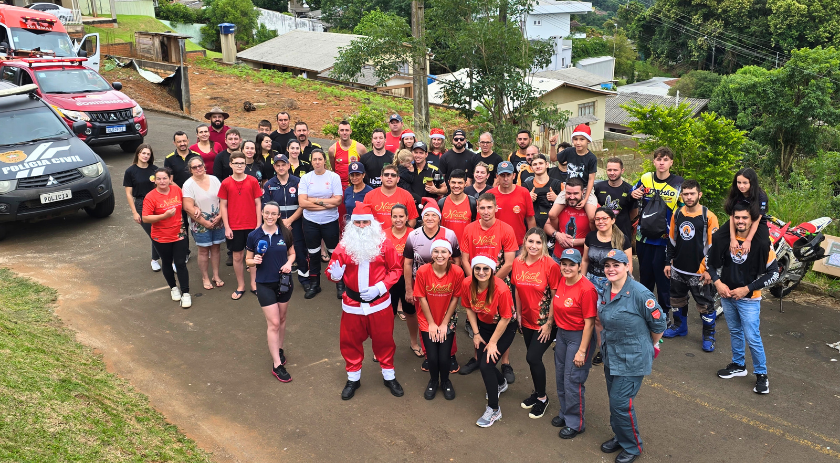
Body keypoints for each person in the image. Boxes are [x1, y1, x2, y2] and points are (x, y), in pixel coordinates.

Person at [326, 203, 405, 400]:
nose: (361, 226)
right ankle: (353, 378)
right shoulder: (344, 246)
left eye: (365, 222)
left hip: (379, 304)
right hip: (352, 305)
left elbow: (396, 270)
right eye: (358, 222)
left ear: (372, 223)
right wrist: (334, 275)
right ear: (352, 224)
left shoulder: (384, 244)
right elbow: (331, 269)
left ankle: (389, 376)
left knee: (384, 340)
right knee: (350, 342)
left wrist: (380, 288)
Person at [597, 250, 666, 463]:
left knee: (620, 403)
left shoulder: (640, 294)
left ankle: (633, 446)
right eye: (607, 265)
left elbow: (659, 325)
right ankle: (620, 436)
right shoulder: (606, 288)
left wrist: (649, 345)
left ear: (627, 266)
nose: (611, 269)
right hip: (612, 354)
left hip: (633, 358)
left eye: (616, 265)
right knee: (615, 401)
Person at [708, 203, 778, 395]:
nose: (740, 221)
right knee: (735, 331)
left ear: (752, 219)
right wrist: (718, 283)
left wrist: (747, 289)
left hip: (749, 299)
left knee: (752, 337)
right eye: (737, 217)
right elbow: (709, 263)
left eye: (744, 218)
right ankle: (738, 365)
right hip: (727, 296)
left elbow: (774, 273)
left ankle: (761, 374)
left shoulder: (762, 243)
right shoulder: (723, 239)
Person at [459, 193, 518, 379]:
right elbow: (465, 259)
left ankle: (505, 362)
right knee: (478, 318)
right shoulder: (469, 229)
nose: (485, 211)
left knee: (503, 320)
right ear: (477, 208)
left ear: (496, 208)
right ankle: (478, 357)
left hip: (500, 282)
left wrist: (489, 284)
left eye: (489, 207)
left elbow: (509, 263)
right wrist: (475, 282)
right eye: (482, 208)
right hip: (475, 280)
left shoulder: (506, 229)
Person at [404, 198, 462, 372]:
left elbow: (457, 260)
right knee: (424, 319)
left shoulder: (449, 234)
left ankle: (450, 354)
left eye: (434, 215)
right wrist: (409, 288)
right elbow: (408, 263)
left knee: (448, 318)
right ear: (422, 217)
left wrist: (454, 281)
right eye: (426, 215)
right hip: (422, 284)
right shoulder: (413, 235)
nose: (430, 218)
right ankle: (429, 355)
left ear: (439, 218)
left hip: (446, 284)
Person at [664, 179, 720, 351]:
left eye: (692, 193)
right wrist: (668, 262)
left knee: (705, 305)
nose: (689, 197)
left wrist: (710, 270)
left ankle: (709, 335)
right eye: (686, 194)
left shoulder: (709, 217)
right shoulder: (677, 214)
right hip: (678, 268)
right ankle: (679, 326)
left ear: (699, 194)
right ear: (681, 195)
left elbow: (715, 247)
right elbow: (672, 240)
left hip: (700, 271)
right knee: (676, 300)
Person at [511, 228, 561, 420]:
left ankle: (542, 398)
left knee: (533, 357)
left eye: (538, 242)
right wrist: (519, 314)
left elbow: (555, 296)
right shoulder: (518, 262)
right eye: (530, 241)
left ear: (544, 245)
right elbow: (517, 290)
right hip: (526, 319)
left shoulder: (550, 265)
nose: (533, 246)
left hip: (544, 322)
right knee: (533, 359)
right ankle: (538, 392)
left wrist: (549, 323)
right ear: (524, 242)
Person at [462, 255, 517, 427]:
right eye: (477, 268)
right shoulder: (467, 284)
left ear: (492, 270)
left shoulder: (501, 289)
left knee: (486, 365)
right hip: (484, 326)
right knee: (483, 361)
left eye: (486, 269)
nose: (481, 272)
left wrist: (492, 342)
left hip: (505, 327)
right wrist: (476, 333)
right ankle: (500, 383)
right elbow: (469, 308)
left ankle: (494, 409)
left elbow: (506, 318)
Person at [631, 146, 683, 328]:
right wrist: (634, 193)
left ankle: (664, 314)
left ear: (671, 162)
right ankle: (646, 311)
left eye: (665, 159)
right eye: (659, 159)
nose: (662, 163)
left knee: (663, 280)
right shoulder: (646, 178)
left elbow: (685, 208)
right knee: (645, 278)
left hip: (666, 240)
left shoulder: (678, 183)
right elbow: (633, 192)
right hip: (644, 237)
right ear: (654, 161)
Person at [246, 201, 296, 383]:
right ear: (262, 213)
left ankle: (279, 349)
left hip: (284, 283)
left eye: (273, 214)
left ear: (278, 215)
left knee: (282, 319)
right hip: (264, 284)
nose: (269, 216)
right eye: (267, 213)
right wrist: (254, 261)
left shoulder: (285, 233)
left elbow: (292, 253)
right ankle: (277, 365)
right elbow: (247, 260)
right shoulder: (253, 235)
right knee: (274, 323)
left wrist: (289, 264)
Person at [553, 248, 598, 439]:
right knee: (560, 376)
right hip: (562, 334)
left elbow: (590, 324)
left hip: (579, 336)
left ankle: (575, 423)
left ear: (580, 266)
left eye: (572, 264)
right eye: (564, 264)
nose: (567, 268)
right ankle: (565, 412)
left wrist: (582, 351)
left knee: (573, 379)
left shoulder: (587, 289)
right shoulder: (562, 280)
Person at [414, 239, 464, 400]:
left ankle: (446, 381)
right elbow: (422, 298)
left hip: (447, 319)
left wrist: (444, 324)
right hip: (427, 318)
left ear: (450, 254)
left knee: (444, 358)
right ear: (431, 254)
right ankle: (434, 381)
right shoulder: (423, 271)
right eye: (436, 251)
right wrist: (431, 323)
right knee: (432, 357)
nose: (439, 255)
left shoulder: (457, 272)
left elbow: (455, 298)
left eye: (444, 251)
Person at [581, 207, 632, 366]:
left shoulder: (622, 239)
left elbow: (628, 265)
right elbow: (585, 260)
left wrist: (625, 287)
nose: (600, 222)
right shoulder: (590, 237)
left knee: (611, 318)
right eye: (597, 219)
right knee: (596, 318)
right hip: (591, 282)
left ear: (612, 220)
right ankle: (602, 349)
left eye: (604, 218)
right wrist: (581, 280)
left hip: (613, 284)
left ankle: (614, 348)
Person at [142, 168, 191, 308]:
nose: (162, 181)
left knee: (180, 263)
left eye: (165, 178)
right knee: (167, 262)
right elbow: (145, 218)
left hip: (179, 233)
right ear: (155, 180)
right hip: (161, 236)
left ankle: (186, 293)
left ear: (170, 179)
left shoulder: (176, 190)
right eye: (159, 178)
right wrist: (164, 216)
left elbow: (186, 204)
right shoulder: (150, 196)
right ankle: (173, 288)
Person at [299, 149, 344, 299]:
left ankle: (340, 284)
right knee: (313, 253)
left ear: (325, 160)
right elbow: (302, 202)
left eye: (320, 159)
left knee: (334, 253)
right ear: (311, 161)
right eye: (314, 159)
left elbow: (338, 200)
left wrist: (313, 200)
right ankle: (314, 284)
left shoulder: (333, 177)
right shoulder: (306, 178)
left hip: (330, 221)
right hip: (310, 222)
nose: (317, 162)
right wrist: (326, 204)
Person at [263, 154, 311, 292]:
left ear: (289, 165)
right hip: (276, 225)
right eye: (277, 165)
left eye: (283, 164)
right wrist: (280, 223)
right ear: (274, 167)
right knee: (278, 252)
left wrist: (289, 220)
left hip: (296, 223)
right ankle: (280, 281)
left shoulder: (298, 182)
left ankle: (304, 279)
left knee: (300, 251)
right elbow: (267, 208)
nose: (281, 167)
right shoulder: (269, 185)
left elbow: (303, 204)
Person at [219, 152, 263, 300]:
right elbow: (223, 206)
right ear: (230, 164)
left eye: (242, 163)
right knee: (237, 257)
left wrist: (258, 224)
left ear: (245, 164)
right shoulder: (226, 183)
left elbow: (258, 203)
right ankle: (241, 285)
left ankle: (254, 284)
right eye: (236, 163)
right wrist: (227, 227)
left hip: (252, 226)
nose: (239, 166)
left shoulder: (252, 181)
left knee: (253, 257)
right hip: (234, 227)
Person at [182, 157, 225, 291]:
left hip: (218, 221)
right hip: (200, 224)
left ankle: (216, 275)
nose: (198, 169)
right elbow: (188, 207)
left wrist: (220, 216)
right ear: (190, 170)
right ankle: (205, 277)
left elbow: (223, 199)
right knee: (203, 250)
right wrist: (205, 222)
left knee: (216, 248)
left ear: (204, 166)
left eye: (200, 165)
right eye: (194, 167)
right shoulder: (188, 185)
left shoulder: (214, 179)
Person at [549, 126, 599, 222]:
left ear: (588, 140)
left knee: (592, 217)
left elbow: (591, 179)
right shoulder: (569, 151)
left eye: (582, 139)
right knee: (552, 214)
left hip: (585, 189)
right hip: (569, 188)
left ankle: (592, 232)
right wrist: (552, 145)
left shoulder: (591, 158)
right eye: (575, 139)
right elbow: (553, 158)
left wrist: (585, 199)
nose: (578, 142)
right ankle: (555, 231)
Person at [123, 144, 160, 271]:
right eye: (143, 153)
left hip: (157, 203)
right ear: (138, 154)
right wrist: (134, 212)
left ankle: (156, 259)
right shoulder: (130, 171)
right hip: (141, 204)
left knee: (160, 232)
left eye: (148, 154)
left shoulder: (155, 169)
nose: (146, 156)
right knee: (153, 234)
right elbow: (128, 194)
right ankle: (162, 260)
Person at [165, 131, 200, 263]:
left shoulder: (196, 156)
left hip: (197, 197)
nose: (182, 143)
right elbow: (170, 180)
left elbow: (200, 175)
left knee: (199, 221)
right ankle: (185, 252)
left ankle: (204, 247)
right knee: (183, 226)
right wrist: (185, 193)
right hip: (179, 198)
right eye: (179, 141)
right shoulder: (169, 159)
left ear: (188, 141)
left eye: (184, 141)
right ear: (174, 143)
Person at [722, 167, 770, 257]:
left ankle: (762, 265)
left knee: (763, 244)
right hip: (737, 219)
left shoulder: (761, 197)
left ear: (752, 183)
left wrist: (748, 240)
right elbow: (732, 216)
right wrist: (733, 238)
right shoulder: (735, 193)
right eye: (739, 182)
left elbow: (757, 220)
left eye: (745, 183)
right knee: (717, 237)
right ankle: (716, 263)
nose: (741, 186)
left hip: (756, 220)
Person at [488, 160, 536, 246]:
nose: (506, 179)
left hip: (519, 244)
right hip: (495, 244)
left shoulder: (524, 193)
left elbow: (530, 219)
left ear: (514, 176)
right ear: (497, 176)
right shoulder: (489, 195)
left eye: (508, 175)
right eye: (502, 175)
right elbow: (482, 221)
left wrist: (532, 241)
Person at [546, 177, 592, 258]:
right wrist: (557, 234)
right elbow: (547, 225)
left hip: (582, 259)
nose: (572, 197)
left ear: (583, 192)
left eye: (576, 193)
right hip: (559, 257)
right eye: (569, 193)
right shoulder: (560, 206)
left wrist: (575, 242)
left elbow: (600, 235)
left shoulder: (591, 207)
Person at [594, 157, 637, 244]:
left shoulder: (629, 189)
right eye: (609, 170)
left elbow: (634, 212)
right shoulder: (598, 187)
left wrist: (622, 220)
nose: (612, 173)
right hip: (601, 233)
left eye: (615, 170)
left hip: (622, 233)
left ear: (622, 170)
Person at [364, 164, 419, 230]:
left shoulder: (407, 195)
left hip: (399, 235)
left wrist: (402, 233)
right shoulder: (369, 196)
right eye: (386, 175)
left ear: (398, 179)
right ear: (381, 178)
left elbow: (412, 219)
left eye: (393, 175)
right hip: (376, 235)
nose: (389, 177)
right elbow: (364, 219)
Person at [385, 204, 413, 322]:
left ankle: (413, 336)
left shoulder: (413, 234)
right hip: (389, 278)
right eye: (394, 216)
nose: (398, 220)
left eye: (401, 216)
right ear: (391, 218)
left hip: (408, 278)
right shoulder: (383, 235)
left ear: (407, 217)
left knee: (411, 312)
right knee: (389, 313)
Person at [522, 152, 563, 232]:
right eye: (535, 164)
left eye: (541, 163)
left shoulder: (558, 185)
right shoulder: (525, 187)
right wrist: (527, 200)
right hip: (532, 230)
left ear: (547, 165)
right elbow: (518, 208)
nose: (538, 166)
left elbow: (569, 206)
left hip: (554, 230)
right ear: (531, 168)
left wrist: (557, 199)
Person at [401, 141, 446, 207]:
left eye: (421, 153)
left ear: (426, 154)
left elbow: (444, 189)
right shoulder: (406, 169)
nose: (418, 155)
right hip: (410, 206)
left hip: (428, 207)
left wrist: (436, 190)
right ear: (412, 153)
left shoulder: (434, 170)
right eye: (416, 152)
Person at [438, 169, 476, 245]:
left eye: (460, 183)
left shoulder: (473, 203)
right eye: (453, 182)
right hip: (446, 248)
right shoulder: (441, 203)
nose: (456, 186)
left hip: (466, 247)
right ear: (448, 182)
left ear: (465, 183)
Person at [329, 120, 368, 189]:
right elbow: (334, 168)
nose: (344, 133)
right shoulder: (332, 150)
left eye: (347, 130)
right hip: (339, 187)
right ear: (338, 132)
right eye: (342, 130)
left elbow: (366, 168)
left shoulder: (360, 148)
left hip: (356, 186)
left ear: (350, 131)